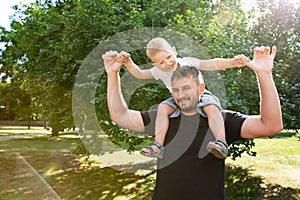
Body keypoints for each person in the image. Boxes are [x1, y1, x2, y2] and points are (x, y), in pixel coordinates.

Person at [102, 45, 283, 200]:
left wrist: (264, 74)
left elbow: (271, 125)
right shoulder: (163, 119)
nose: (181, 95)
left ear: (201, 88)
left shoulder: (220, 119)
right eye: (176, 90)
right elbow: (120, 116)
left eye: (187, 88)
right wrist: (112, 74)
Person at [117, 37, 250, 159]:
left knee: (211, 107)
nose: (168, 63)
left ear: (174, 51)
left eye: (169, 57)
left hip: (200, 95)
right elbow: (140, 74)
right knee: (163, 108)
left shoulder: (188, 62)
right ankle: (158, 146)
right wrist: (128, 62)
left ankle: (221, 142)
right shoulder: (159, 71)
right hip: (178, 99)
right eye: (162, 62)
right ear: (155, 65)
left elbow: (212, 63)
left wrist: (233, 62)